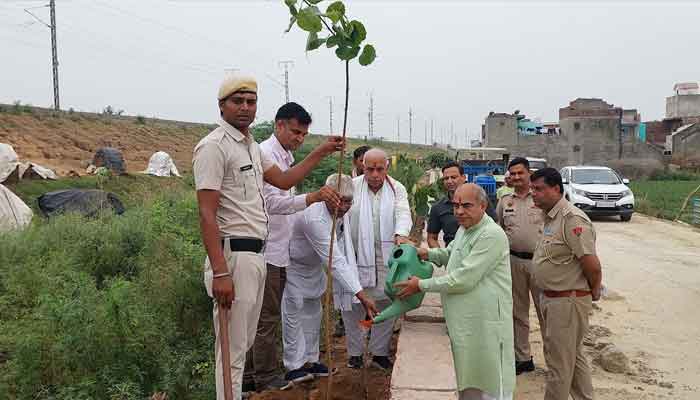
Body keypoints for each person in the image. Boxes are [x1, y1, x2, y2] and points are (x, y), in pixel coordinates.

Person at [193, 73, 344, 400]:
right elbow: (206, 212)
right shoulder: (213, 147)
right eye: (237, 101)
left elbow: (285, 180)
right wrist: (220, 271)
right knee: (232, 350)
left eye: (251, 102)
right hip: (234, 255)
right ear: (222, 106)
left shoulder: (250, 147)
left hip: (258, 255)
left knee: (243, 342)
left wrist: (321, 152)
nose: (245, 108)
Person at [244, 102, 341, 392]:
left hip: (278, 249)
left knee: (263, 317)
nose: (299, 138)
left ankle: (250, 379)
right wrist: (310, 198)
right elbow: (272, 203)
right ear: (279, 125)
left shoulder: (284, 156)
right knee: (267, 318)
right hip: (267, 251)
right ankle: (266, 378)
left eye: (303, 134)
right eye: (295, 132)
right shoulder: (265, 154)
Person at [394, 183, 515, 400]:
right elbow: (451, 253)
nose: (459, 211)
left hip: (485, 319)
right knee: (467, 373)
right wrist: (426, 253)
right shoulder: (465, 228)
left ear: (483, 205)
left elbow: (464, 279)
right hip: (465, 318)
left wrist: (421, 285)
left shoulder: (491, 235)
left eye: (466, 206)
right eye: (456, 205)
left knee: (489, 375)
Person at [282, 173, 379, 383]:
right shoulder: (314, 217)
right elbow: (335, 260)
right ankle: (293, 366)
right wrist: (361, 294)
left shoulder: (341, 215)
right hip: (295, 268)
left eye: (348, 201)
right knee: (294, 315)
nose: (344, 206)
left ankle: (311, 359)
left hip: (314, 268)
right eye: (340, 201)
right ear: (327, 196)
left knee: (313, 315)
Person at [530, 168, 602, 400]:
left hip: (567, 300)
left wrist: (593, 290)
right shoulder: (551, 217)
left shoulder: (572, 219)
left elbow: (591, 264)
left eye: (539, 189)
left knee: (558, 364)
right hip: (552, 299)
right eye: (533, 189)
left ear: (556, 189)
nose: (534, 194)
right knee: (573, 357)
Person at [345, 148, 412, 371]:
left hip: (386, 254)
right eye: (369, 169)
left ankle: (379, 352)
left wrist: (401, 234)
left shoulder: (397, 188)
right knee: (353, 306)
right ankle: (355, 353)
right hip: (355, 255)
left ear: (387, 168)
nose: (374, 174)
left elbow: (403, 212)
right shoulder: (352, 186)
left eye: (379, 169)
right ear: (362, 166)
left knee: (386, 304)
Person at [496, 157, 545, 375]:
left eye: (520, 173)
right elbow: (498, 230)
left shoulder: (541, 198)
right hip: (513, 261)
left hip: (541, 263)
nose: (516, 177)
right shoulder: (505, 201)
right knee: (518, 312)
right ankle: (523, 358)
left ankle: (554, 360)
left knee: (546, 313)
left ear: (528, 173)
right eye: (512, 173)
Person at [427, 161, 466, 248]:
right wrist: (441, 256)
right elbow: (431, 238)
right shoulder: (438, 208)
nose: (449, 181)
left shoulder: (478, 200)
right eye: (446, 178)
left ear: (463, 177)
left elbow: (494, 226)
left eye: (453, 177)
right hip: (452, 257)